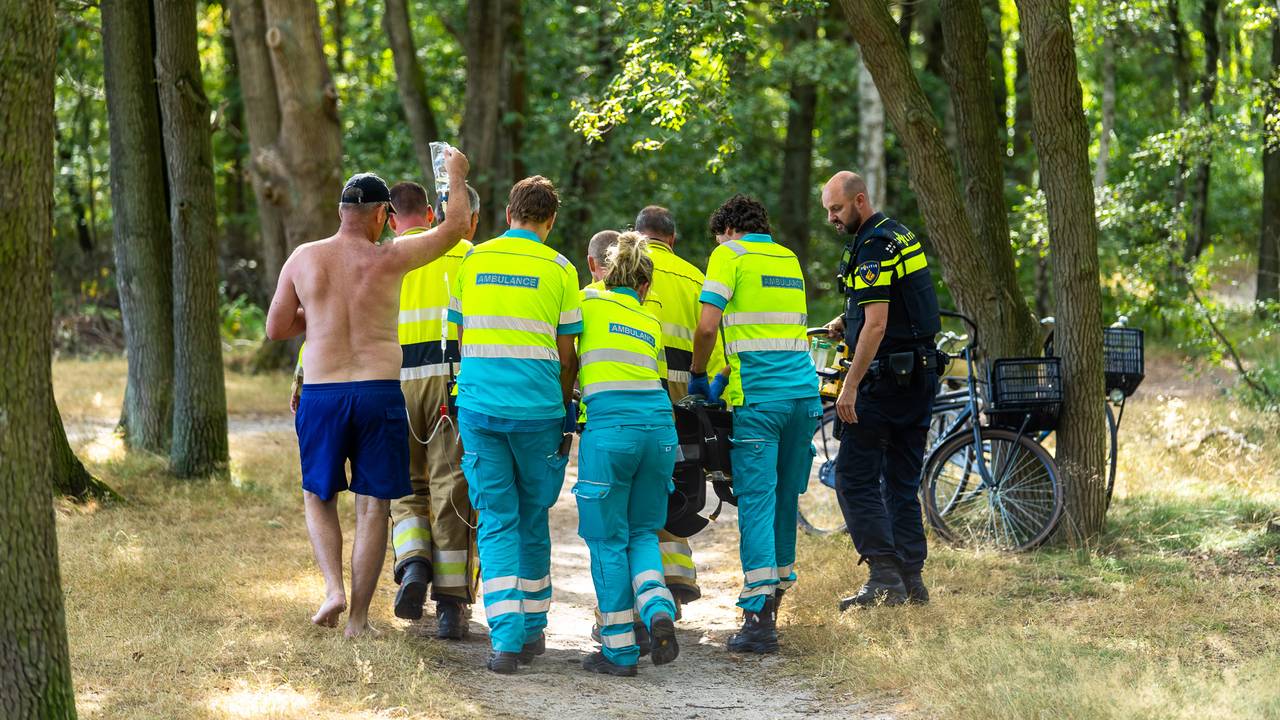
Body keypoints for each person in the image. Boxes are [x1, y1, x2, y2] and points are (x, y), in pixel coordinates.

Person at [266, 152, 472, 639]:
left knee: (318, 494)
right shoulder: (390, 257)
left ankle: (332, 589)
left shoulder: (303, 257)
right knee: (374, 505)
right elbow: (455, 228)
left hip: (322, 393)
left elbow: (276, 328)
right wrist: (456, 174)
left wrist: (318, 317)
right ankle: (358, 619)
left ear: (341, 212)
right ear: (382, 215)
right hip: (379, 391)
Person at [448, 175, 582, 674]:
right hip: (539, 411)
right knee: (531, 515)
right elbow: (567, 356)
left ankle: (505, 639)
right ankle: (531, 629)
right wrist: (563, 404)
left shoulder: (473, 260)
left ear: (508, 214)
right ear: (551, 221)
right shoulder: (561, 269)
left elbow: (459, 338)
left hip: (480, 408)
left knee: (496, 518)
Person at [690, 194, 820, 654]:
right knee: (784, 500)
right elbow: (772, 335)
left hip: (762, 402)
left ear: (727, 230)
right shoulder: (788, 258)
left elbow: (708, 327)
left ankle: (759, 619)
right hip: (803, 397)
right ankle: (775, 600)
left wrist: (699, 373)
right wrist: (729, 371)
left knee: (758, 502)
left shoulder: (729, 255)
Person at [819, 171, 941, 610]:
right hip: (919, 375)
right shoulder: (899, 235)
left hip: (885, 382)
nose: (832, 218)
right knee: (901, 482)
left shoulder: (872, 245)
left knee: (853, 478)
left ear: (859, 201)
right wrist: (845, 319)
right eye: (828, 210)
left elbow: (877, 324)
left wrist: (849, 387)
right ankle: (911, 580)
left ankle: (884, 576)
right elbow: (895, 301)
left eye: (836, 208)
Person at [574, 232, 681, 677]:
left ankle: (618, 651)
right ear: (645, 286)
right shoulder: (650, 322)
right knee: (642, 533)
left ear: (606, 273)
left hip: (611, 433)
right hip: (660, 432)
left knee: (607, 540)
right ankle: (657, 608)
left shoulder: (586, 303)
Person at [385, 181, 482, 638]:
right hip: (451, 382)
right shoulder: (466, 254)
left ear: (390, 219)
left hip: (395, 384)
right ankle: (450, 604)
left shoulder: (382, 257)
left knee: (404, 484)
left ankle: (413, 563)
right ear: (430, 213)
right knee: (451, 487)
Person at [633, 205, 726, 609]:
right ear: (672, 239)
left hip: (638, 383)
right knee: (680, 473)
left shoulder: (627, 269)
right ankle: (677, 573)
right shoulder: (695, 277)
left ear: (636, 233)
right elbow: (714, 341)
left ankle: (648, 578)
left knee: (640, 476)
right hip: (686, 389)